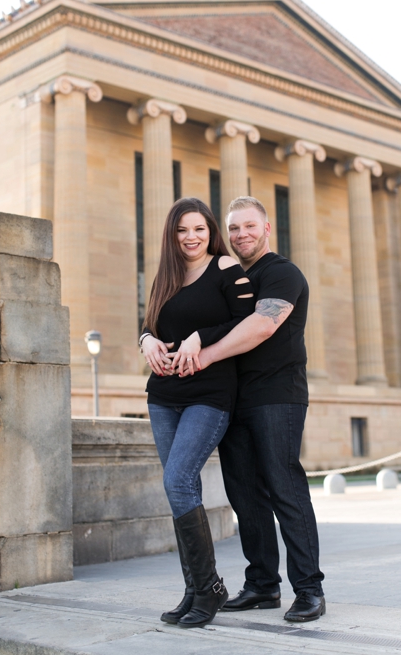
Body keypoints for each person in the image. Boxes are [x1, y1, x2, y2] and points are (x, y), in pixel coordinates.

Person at [192, 196, 326, 622]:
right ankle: (263, 586)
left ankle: (309, 589)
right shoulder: (230, 279)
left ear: (267, 229)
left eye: (249, 226)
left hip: (277, 394)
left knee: (284, 488)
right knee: (244, 495)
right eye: (233, 228)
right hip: (233, 398)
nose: (240, 235)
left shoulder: (281, 272)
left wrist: (207, 354)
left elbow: (263, 324)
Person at [139, 197, 255, 628]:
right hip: (163, 394)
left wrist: (199, 338)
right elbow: (151, 323)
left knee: (177, 479)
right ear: (173, 234)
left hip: (209, 392)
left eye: (199, 229)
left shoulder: (226, 269)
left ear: (211, 232)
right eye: (183, 230)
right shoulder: (166, 276)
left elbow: (247, 323)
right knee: (178, 489)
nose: (191, 237)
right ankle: (197, 588)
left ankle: (209, 589)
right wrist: (146, 340)